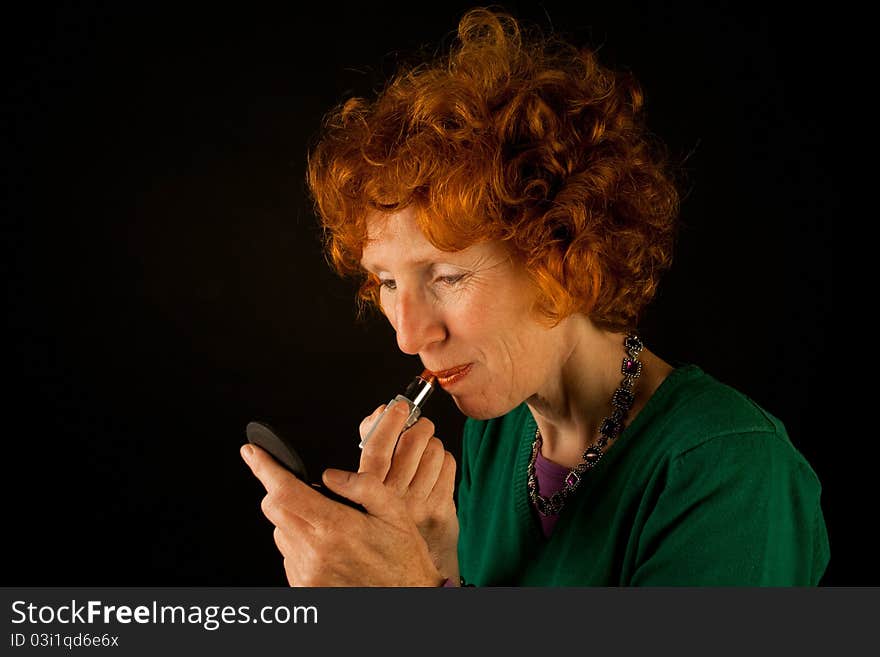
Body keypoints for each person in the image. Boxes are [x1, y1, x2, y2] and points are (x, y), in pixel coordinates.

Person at [240, 7, 830, 586]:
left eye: (446, 277)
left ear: (564, 253)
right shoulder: (494, 433)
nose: (409, 335)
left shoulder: (731, 471)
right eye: (389, 282)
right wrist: (434, 558)